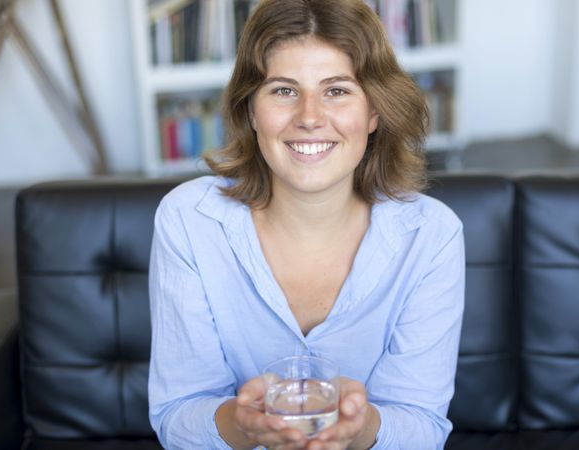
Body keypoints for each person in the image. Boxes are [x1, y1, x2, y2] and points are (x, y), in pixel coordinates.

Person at [148, 0, 465, 448]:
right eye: (283, 90)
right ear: (251, 111)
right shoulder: (188, 221)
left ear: (374, 113)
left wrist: (360, 430)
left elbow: (420, 425)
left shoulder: (431, 236)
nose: (310, 117)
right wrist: (243, 423)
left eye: (337, 90)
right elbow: (178, 416)